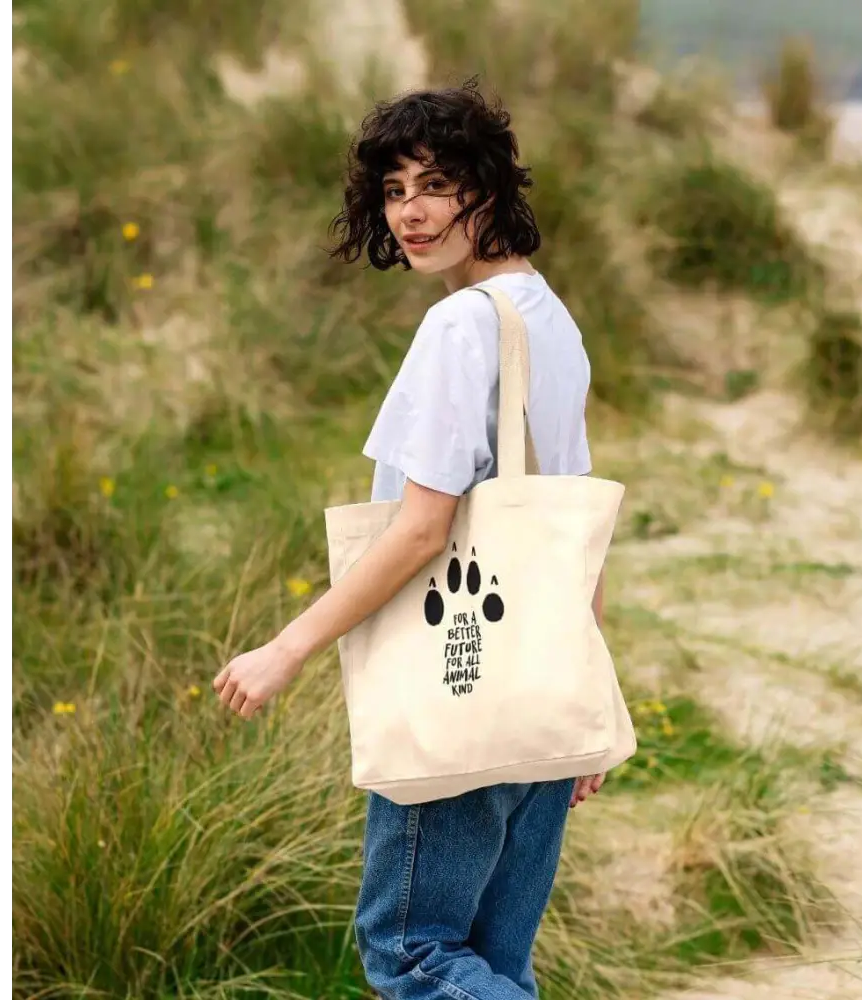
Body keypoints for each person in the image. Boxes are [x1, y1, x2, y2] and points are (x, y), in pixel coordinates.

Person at [212, 80, 607, 999]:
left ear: (491, 188)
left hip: (457, 685)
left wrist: (287, 646)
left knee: (415, 954)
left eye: (435, 184)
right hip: (540, 687)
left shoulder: (460, 327)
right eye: (393, 191)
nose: (411, 213)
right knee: (496, 964)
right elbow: (577, 525)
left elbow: (422, 529)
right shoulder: (550, 319)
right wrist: (588, 695)